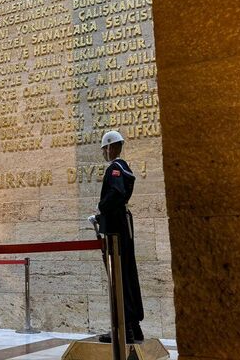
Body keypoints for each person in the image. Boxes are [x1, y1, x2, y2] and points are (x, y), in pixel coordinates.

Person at [96, 130, 144, 344]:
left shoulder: (115, 168)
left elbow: (115, 194)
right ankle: (134, 327)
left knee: (119, 277)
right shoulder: (125, 167)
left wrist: (101, 209)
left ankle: (125, 331)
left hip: (116, 228)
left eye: (105, 149)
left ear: (111, 147)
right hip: (123, 225)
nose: (104, 153)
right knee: (127, 275)